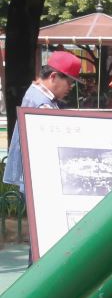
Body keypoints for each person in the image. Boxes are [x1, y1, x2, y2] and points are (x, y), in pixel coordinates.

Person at [3, 51, 82, 194]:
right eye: (69, 82)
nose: (71, 88)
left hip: (32, 178)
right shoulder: (43, 105)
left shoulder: (34, 93)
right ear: (53, 76)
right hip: (40, 181)